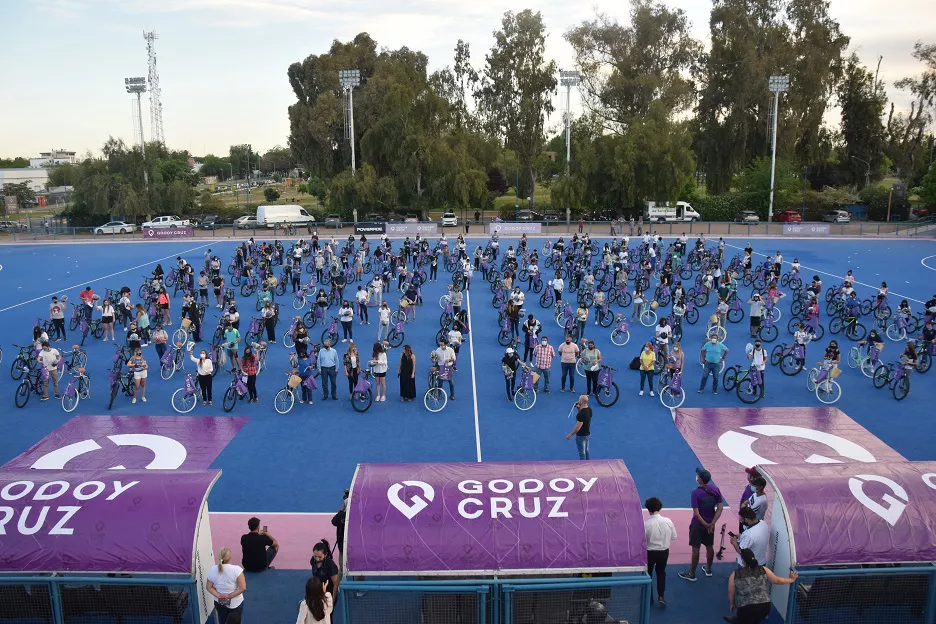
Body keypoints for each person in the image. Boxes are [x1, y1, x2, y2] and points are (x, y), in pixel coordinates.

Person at [726, 548, 798, 624]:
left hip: (745, 610)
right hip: (764, 607)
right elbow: (777, 580)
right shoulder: (763, 569)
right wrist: (791, 579)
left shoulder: (735, 574)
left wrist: (732, 604)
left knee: (746, 617)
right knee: (755, 618)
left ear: (743, 561)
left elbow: (731, 591)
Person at [679, 469, 723, 582]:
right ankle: (708, 569)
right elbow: (720, 508)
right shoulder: (715, 489)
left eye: (698, 476)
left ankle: (692, 573)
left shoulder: (696, 493)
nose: (696, 477)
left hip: (698, 525)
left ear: (700, 480)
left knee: (695, 549)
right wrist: (712, 524)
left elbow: (696, 514)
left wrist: (706, 524)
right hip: (710, 524)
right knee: (709, 546)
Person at [644, 497, 677, 607]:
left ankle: (649, 598)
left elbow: (642, 541)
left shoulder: (646, 524)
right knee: (661, 573)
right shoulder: (668, 521)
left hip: (650, 552)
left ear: (648, 509)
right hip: (664, 552)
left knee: (648, 575)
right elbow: (674, 536)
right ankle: (661, 596)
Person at [206, 547, 246, 624]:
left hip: (219, 603)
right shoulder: (237, 570)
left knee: (222, 620)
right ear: (230, 557)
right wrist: (229, 596)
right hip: (235, 603)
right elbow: (243, 588)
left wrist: (219, 595)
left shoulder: (212, 570)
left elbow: (209, 587)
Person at [566, 394, 592, 460]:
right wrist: (579, 408)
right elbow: (584, 418)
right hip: (587, 433)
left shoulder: (581, 414)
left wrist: (570, 435)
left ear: (581, 401)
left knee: (582, 452)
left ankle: (583, 466)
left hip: (581, 435)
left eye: (579, 399)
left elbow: (577, 428)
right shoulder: (589, 409)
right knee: (586, 450)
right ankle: (588, 462)